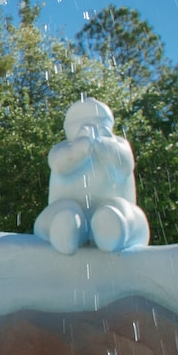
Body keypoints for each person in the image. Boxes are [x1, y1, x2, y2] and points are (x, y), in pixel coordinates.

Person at [32, 97, 150, 254]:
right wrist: (77, 151)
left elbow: (126, 164)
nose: (90, 127)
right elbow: (59, 165)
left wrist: (105, 147)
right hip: (67, 206)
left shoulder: (119, 144)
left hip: (112, 205)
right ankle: (66, 229)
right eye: (80, 123)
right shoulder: (62, 148)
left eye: (98, 122)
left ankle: (111, 228)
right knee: (60, 213)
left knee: (125, 212)